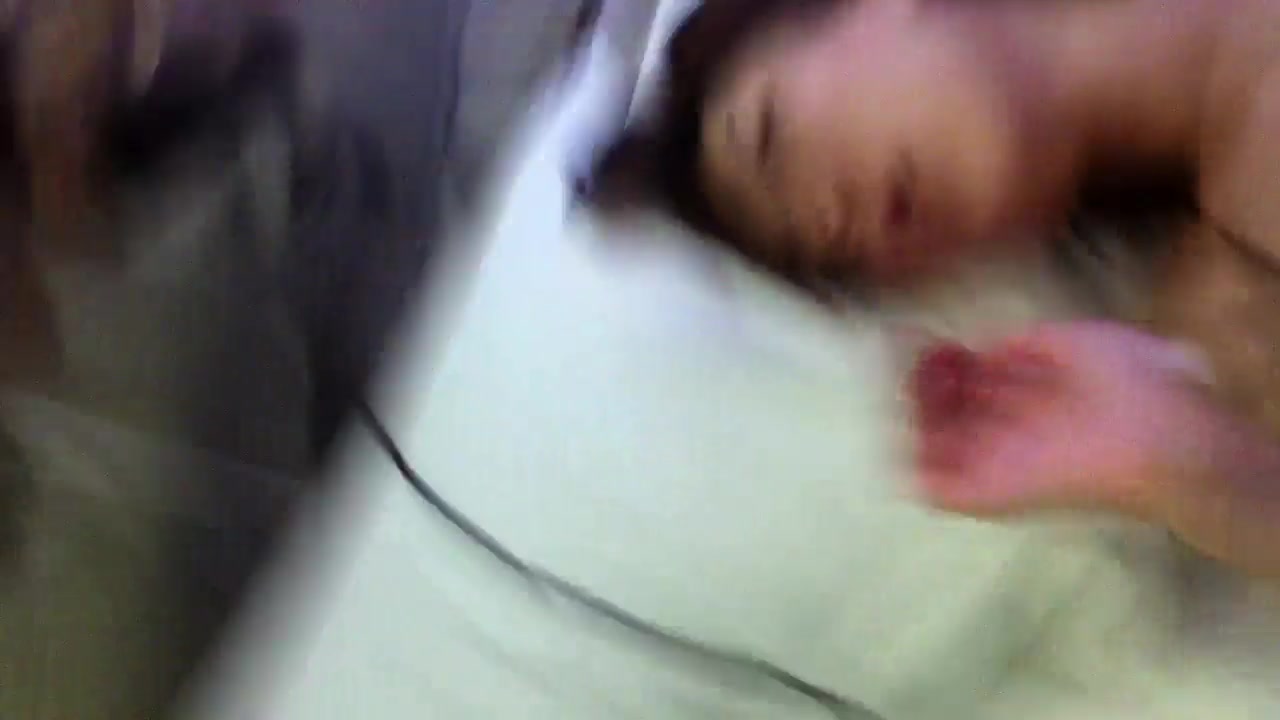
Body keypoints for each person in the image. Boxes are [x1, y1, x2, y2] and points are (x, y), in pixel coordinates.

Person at [590, 0, 1280, 578]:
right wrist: (1188, 466)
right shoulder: (1229, 332)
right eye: (825, 258)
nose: (827, 220)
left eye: (771, 139)